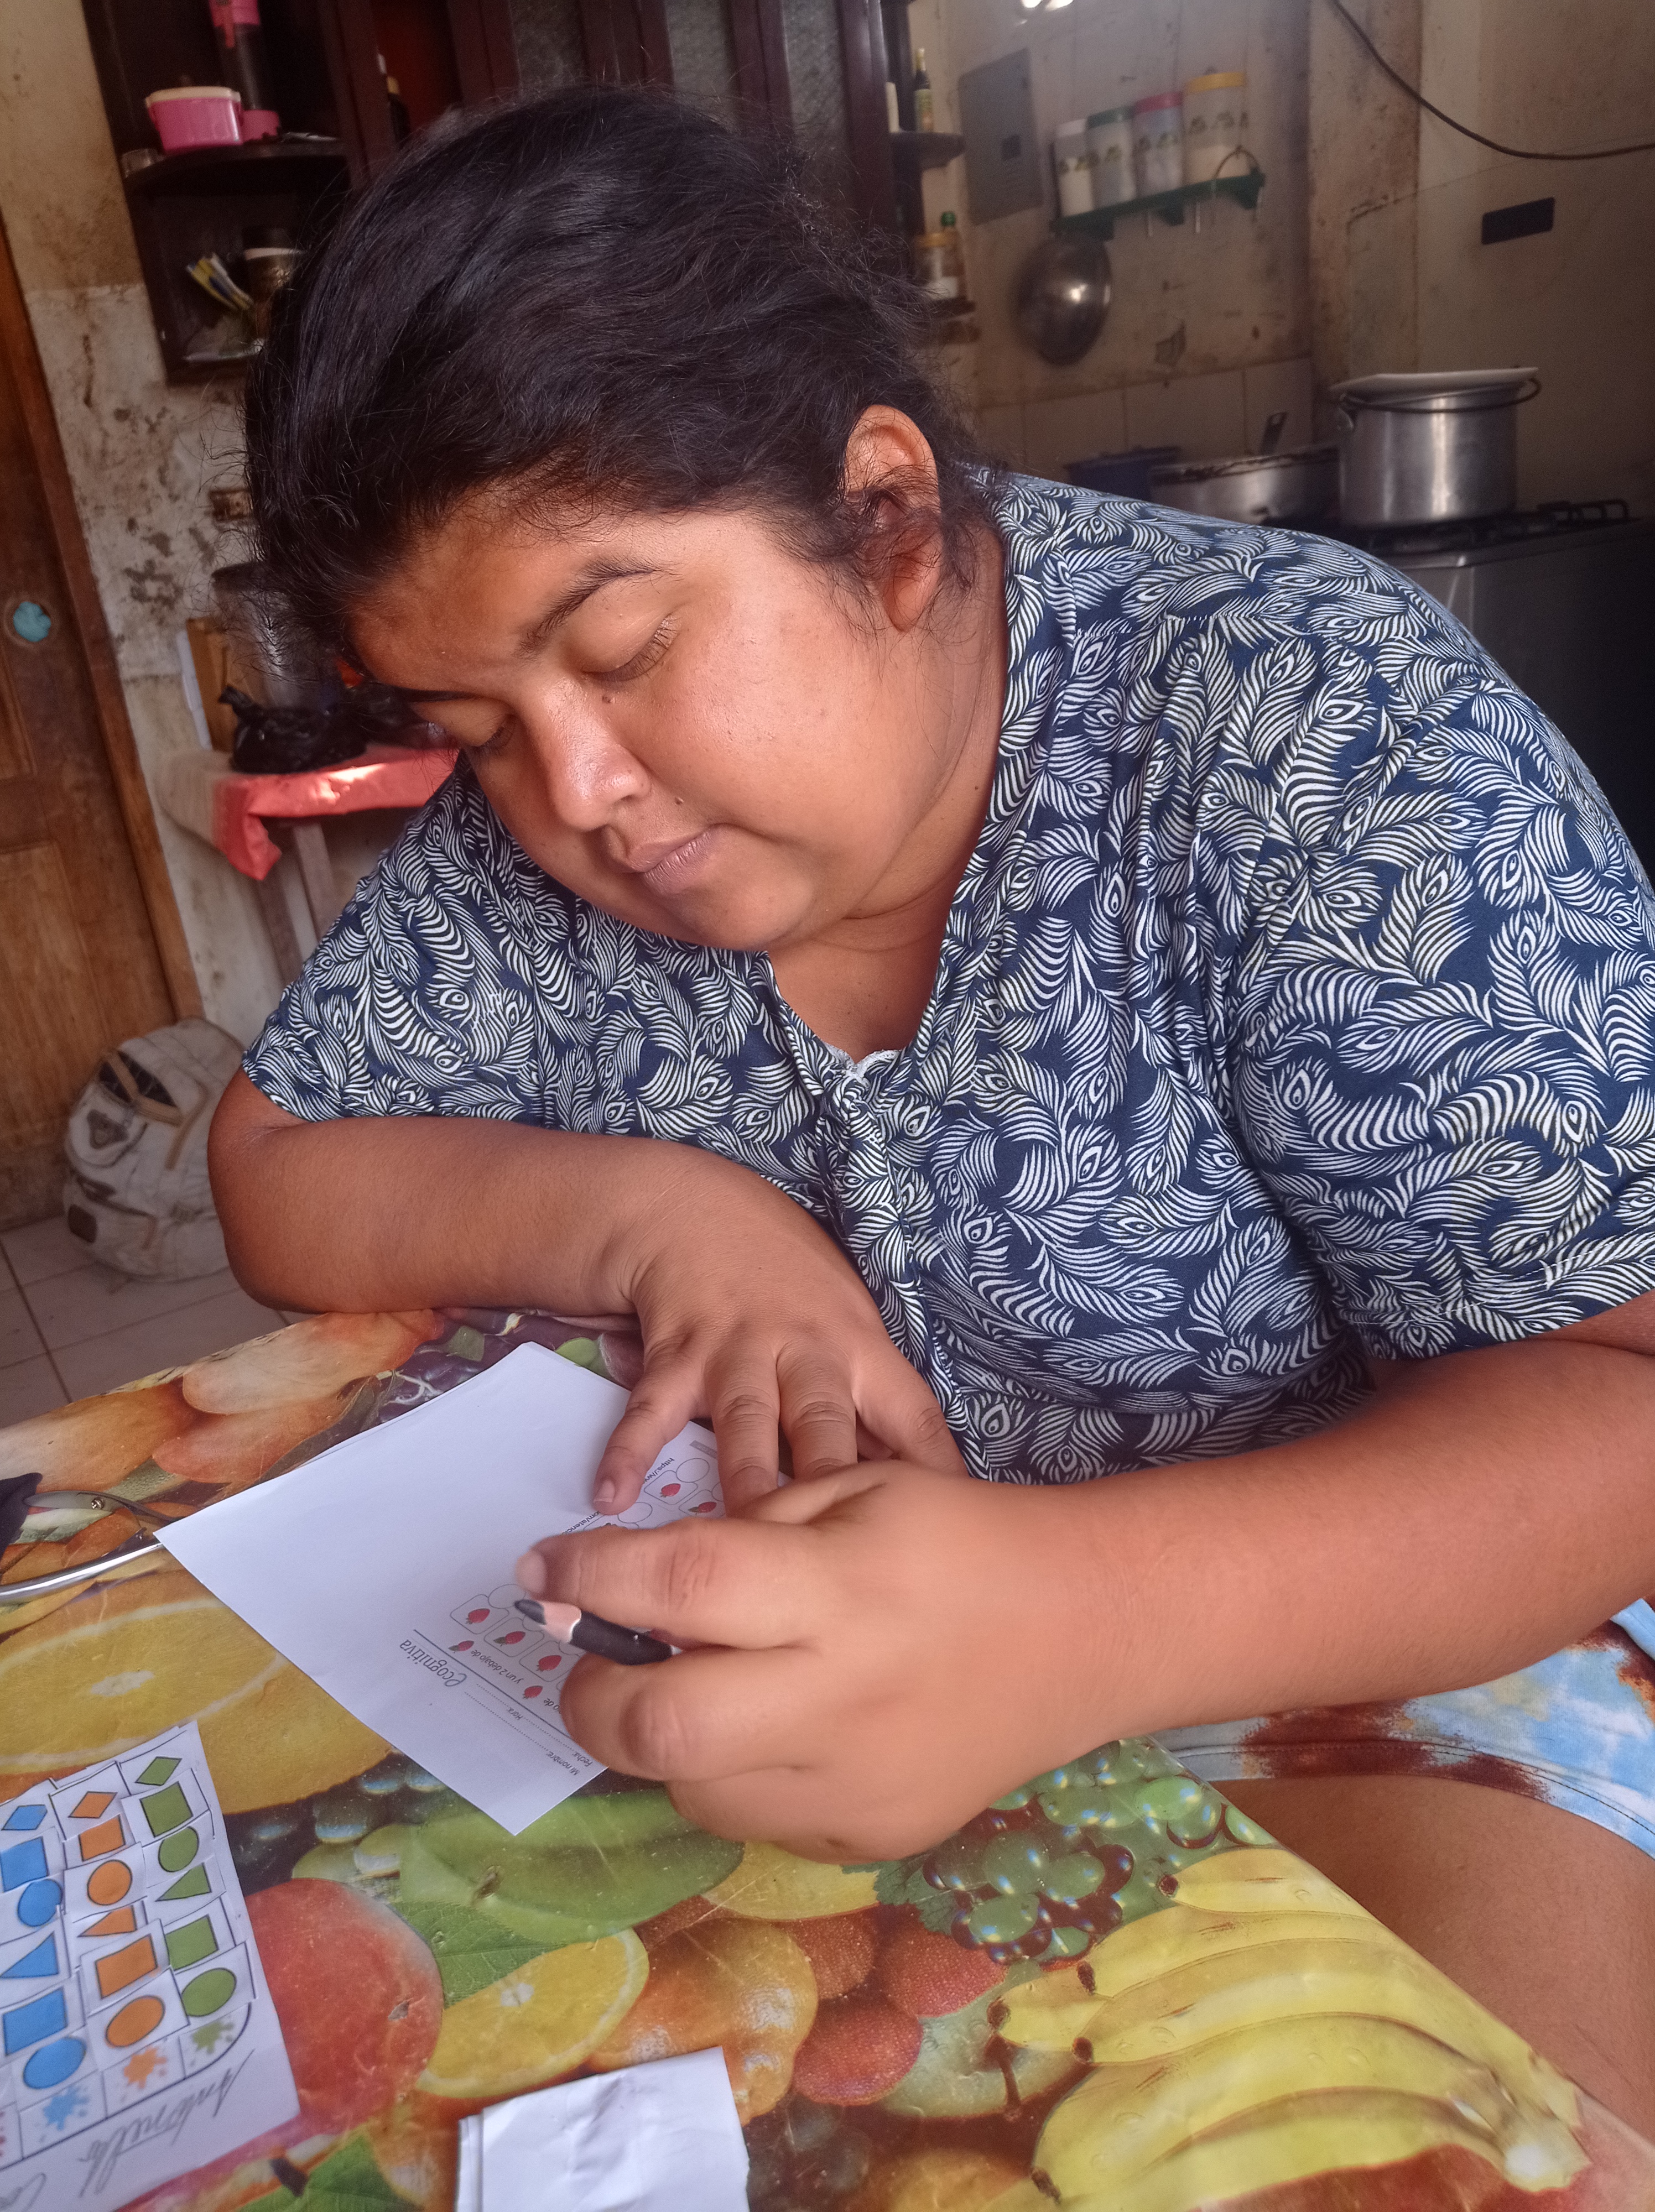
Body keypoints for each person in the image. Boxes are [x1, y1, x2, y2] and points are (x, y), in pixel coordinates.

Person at [211, 87, 1655, 2129]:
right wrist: (671, 1226)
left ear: (887, 520)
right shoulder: (554, 841)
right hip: (826, 1663)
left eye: (625, 650)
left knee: (1453, 2130)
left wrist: (1070, 1622)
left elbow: (1620, 1393)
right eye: (474, 729)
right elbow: (277, 1161)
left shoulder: (1309, 735)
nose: (574, 794)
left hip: (1381, 1638)